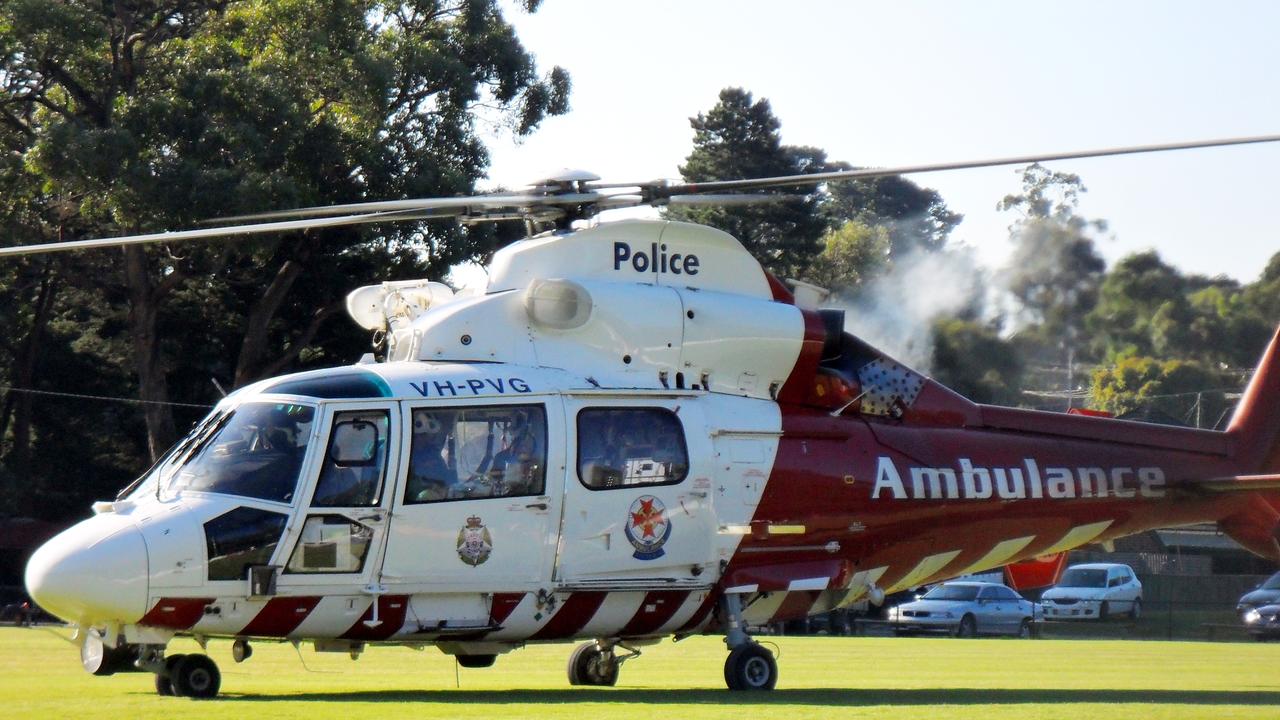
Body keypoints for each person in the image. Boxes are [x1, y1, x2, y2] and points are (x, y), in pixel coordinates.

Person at [408, 411, 453, 502]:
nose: (423, 439)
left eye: (425, 435)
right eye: (419, 436)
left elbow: (443, 476)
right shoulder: (404, 454)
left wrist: (438, 487)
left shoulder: (432, 454)